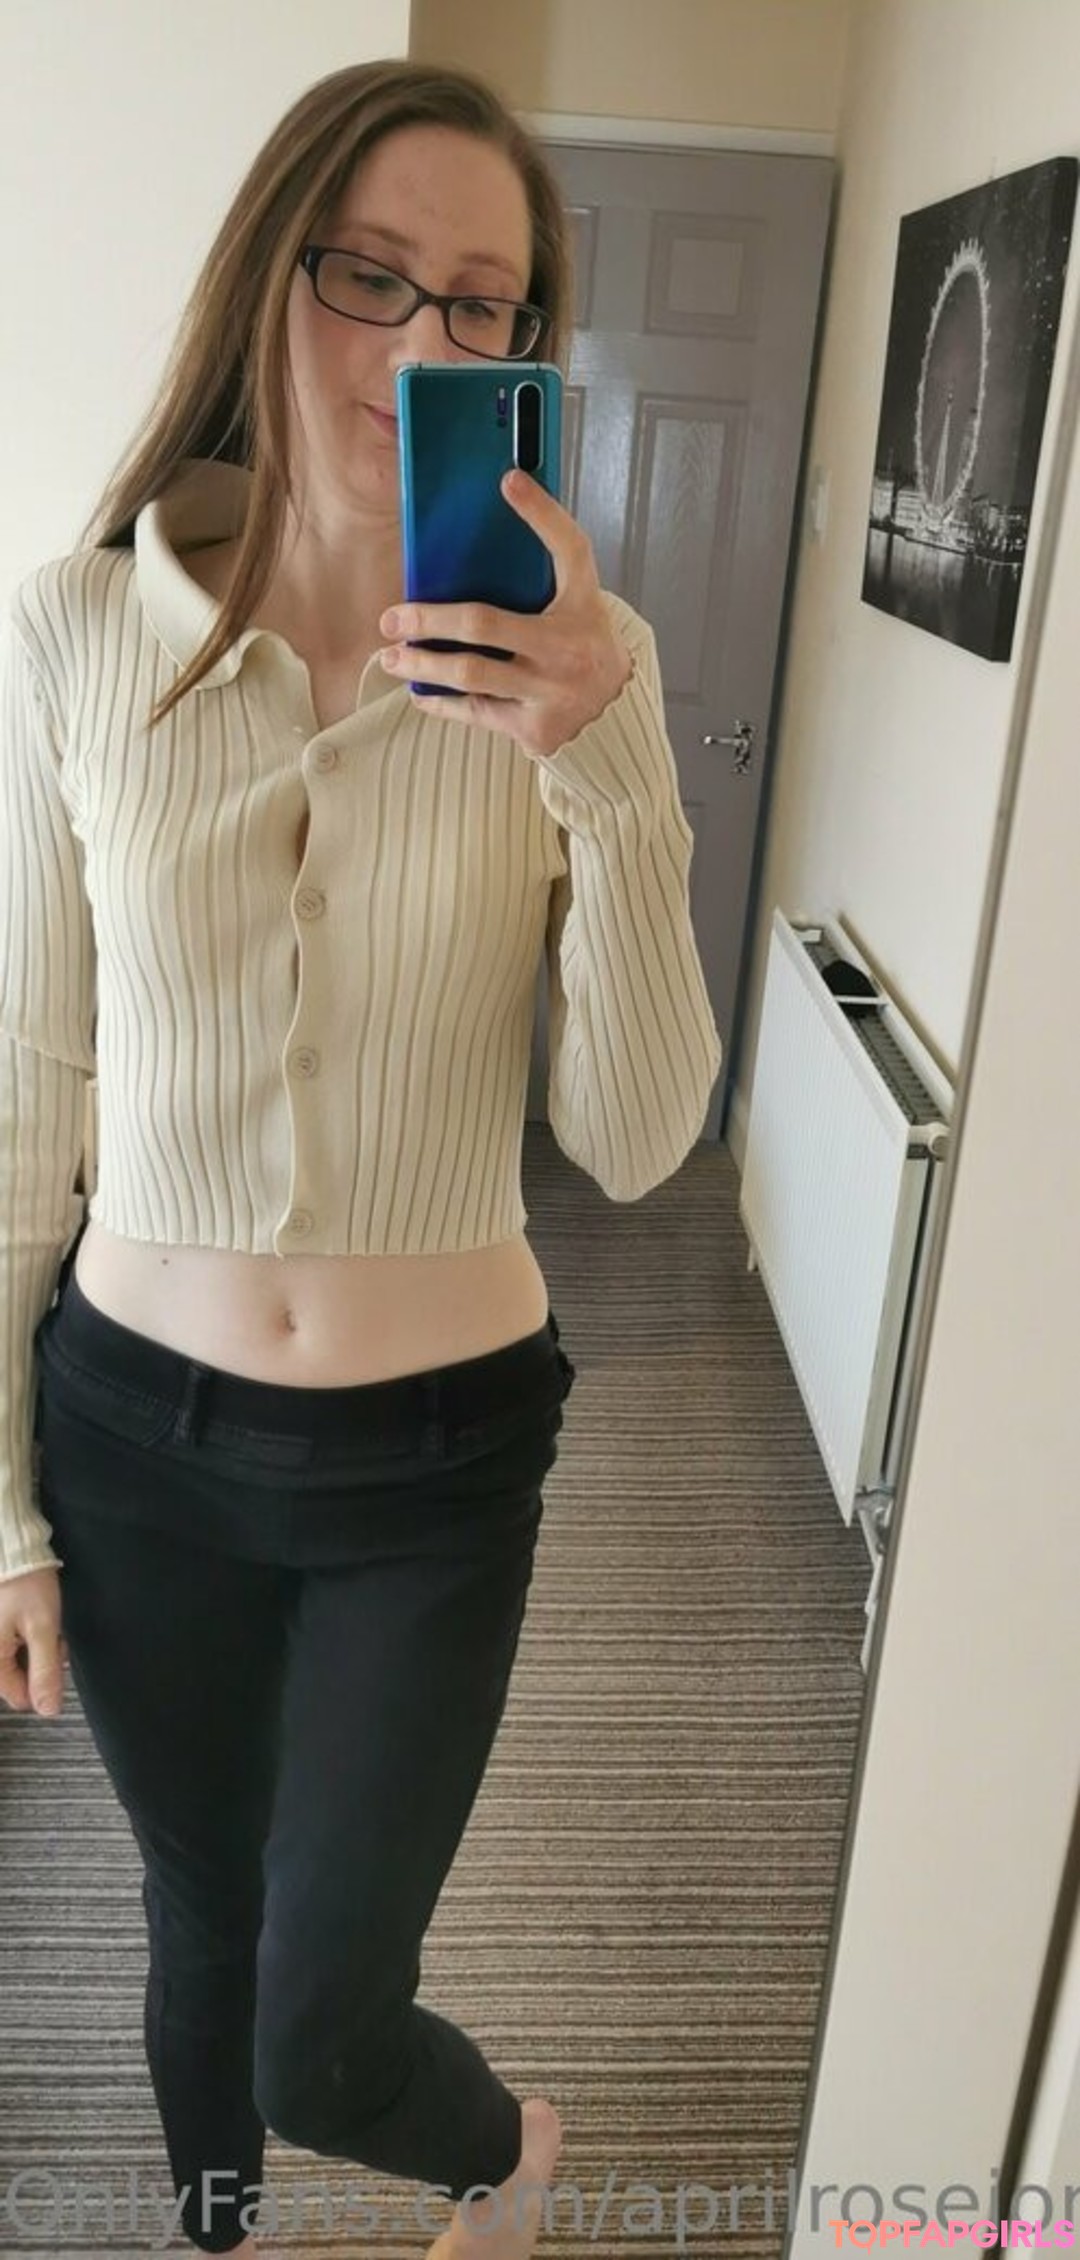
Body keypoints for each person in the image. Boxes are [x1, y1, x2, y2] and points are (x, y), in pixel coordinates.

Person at [0, 56, 723, 2260]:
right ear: (267, 277)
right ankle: (215, 2233)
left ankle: (508, 2157)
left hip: (433, 1458)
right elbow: (25, 1098)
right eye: (370, 276)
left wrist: (606, 764)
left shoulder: (586, 668)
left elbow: (637, 1137)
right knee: (197, 1927)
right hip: (133, 1440)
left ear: (528, 347)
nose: (422, 345)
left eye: (483, 303)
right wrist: (1, 1513)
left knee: (324, 2022)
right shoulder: (75, 629)